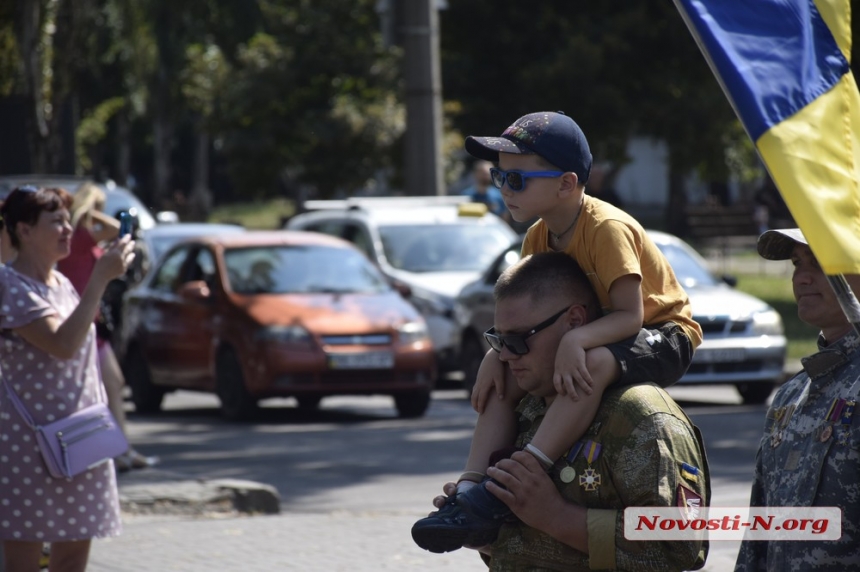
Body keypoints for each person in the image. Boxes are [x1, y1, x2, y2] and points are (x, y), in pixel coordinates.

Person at [413, 111, 703, 549]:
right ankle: (472, 493)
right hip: (597, 332)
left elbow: (631, 318)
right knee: (503, 377)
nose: (502, 189)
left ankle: (529, 465)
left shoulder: (607, 229)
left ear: (567, 184)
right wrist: (498, 354)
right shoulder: (537, 235)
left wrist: (576, 338)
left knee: (595, 362)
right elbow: (526, 312)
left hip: (664, 333)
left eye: (516, 180)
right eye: (498, 176)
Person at [415, 252, 710, 569]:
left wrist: (557, 517)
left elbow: (681, 546)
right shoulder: (525, 410)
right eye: (498, 340)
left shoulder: (641, 416)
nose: (505, 355)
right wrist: (484, 533)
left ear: (575, 322)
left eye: (518, 339)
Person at [0, 185, 135, 572]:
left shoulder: (61, 283)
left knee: (73, 557)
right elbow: (62, 344)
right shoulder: (10, 285)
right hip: (30, 446)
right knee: (24, 561)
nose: (68, 230)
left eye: (66, 220)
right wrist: (100, 280)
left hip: (80, 438)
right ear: (24, 231)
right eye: (56, 221)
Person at [735, 228, 860, 570]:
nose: (802, 277)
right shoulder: (790, 396)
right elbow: (759, 534)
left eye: (819, 262)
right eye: (796, 262)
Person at [55, 182, 158, 472]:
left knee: (109, 386)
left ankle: (120, 449)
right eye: (98, 208)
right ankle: (116, 450)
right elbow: (117, 229)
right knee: (106, 386)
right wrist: (89, 209)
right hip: (80, 319)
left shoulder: (79, 237)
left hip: (91, 322)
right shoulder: (81, 236)